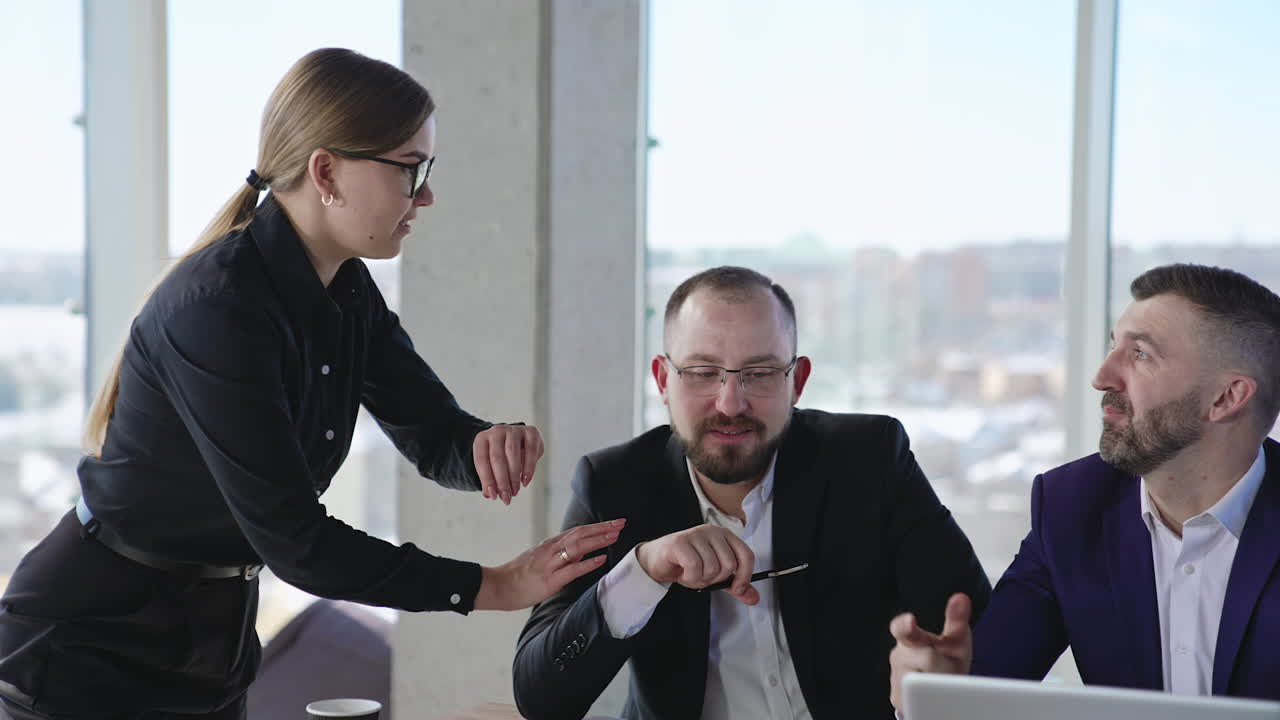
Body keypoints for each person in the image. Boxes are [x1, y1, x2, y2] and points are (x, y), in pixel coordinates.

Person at [0, 48, 622, 720]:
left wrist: (484, 447)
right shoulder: (219, 307)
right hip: (84, 653)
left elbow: (432, 430)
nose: (427, 195)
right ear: (326, 171)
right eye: (410, 170)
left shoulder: (349, 292)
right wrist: (492, 586)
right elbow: (299, 543)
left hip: (206, 648)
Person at [512, 266, 991, 720]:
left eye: (759, 374)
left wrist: (941, 678)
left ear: (796, 381)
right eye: (702, 372)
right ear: (663, 380)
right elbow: (541, 697)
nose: (730, 403)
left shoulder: (870, 460)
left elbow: (976, 636)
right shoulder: (615, 483)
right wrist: (641, 571)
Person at [888, 263, 1280, 713]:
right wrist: (942, 689)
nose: (1102, 376)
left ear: (1226, 397)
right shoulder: (1072, 507)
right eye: (1115, 346)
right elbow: (983, 687)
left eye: (1141, 355)